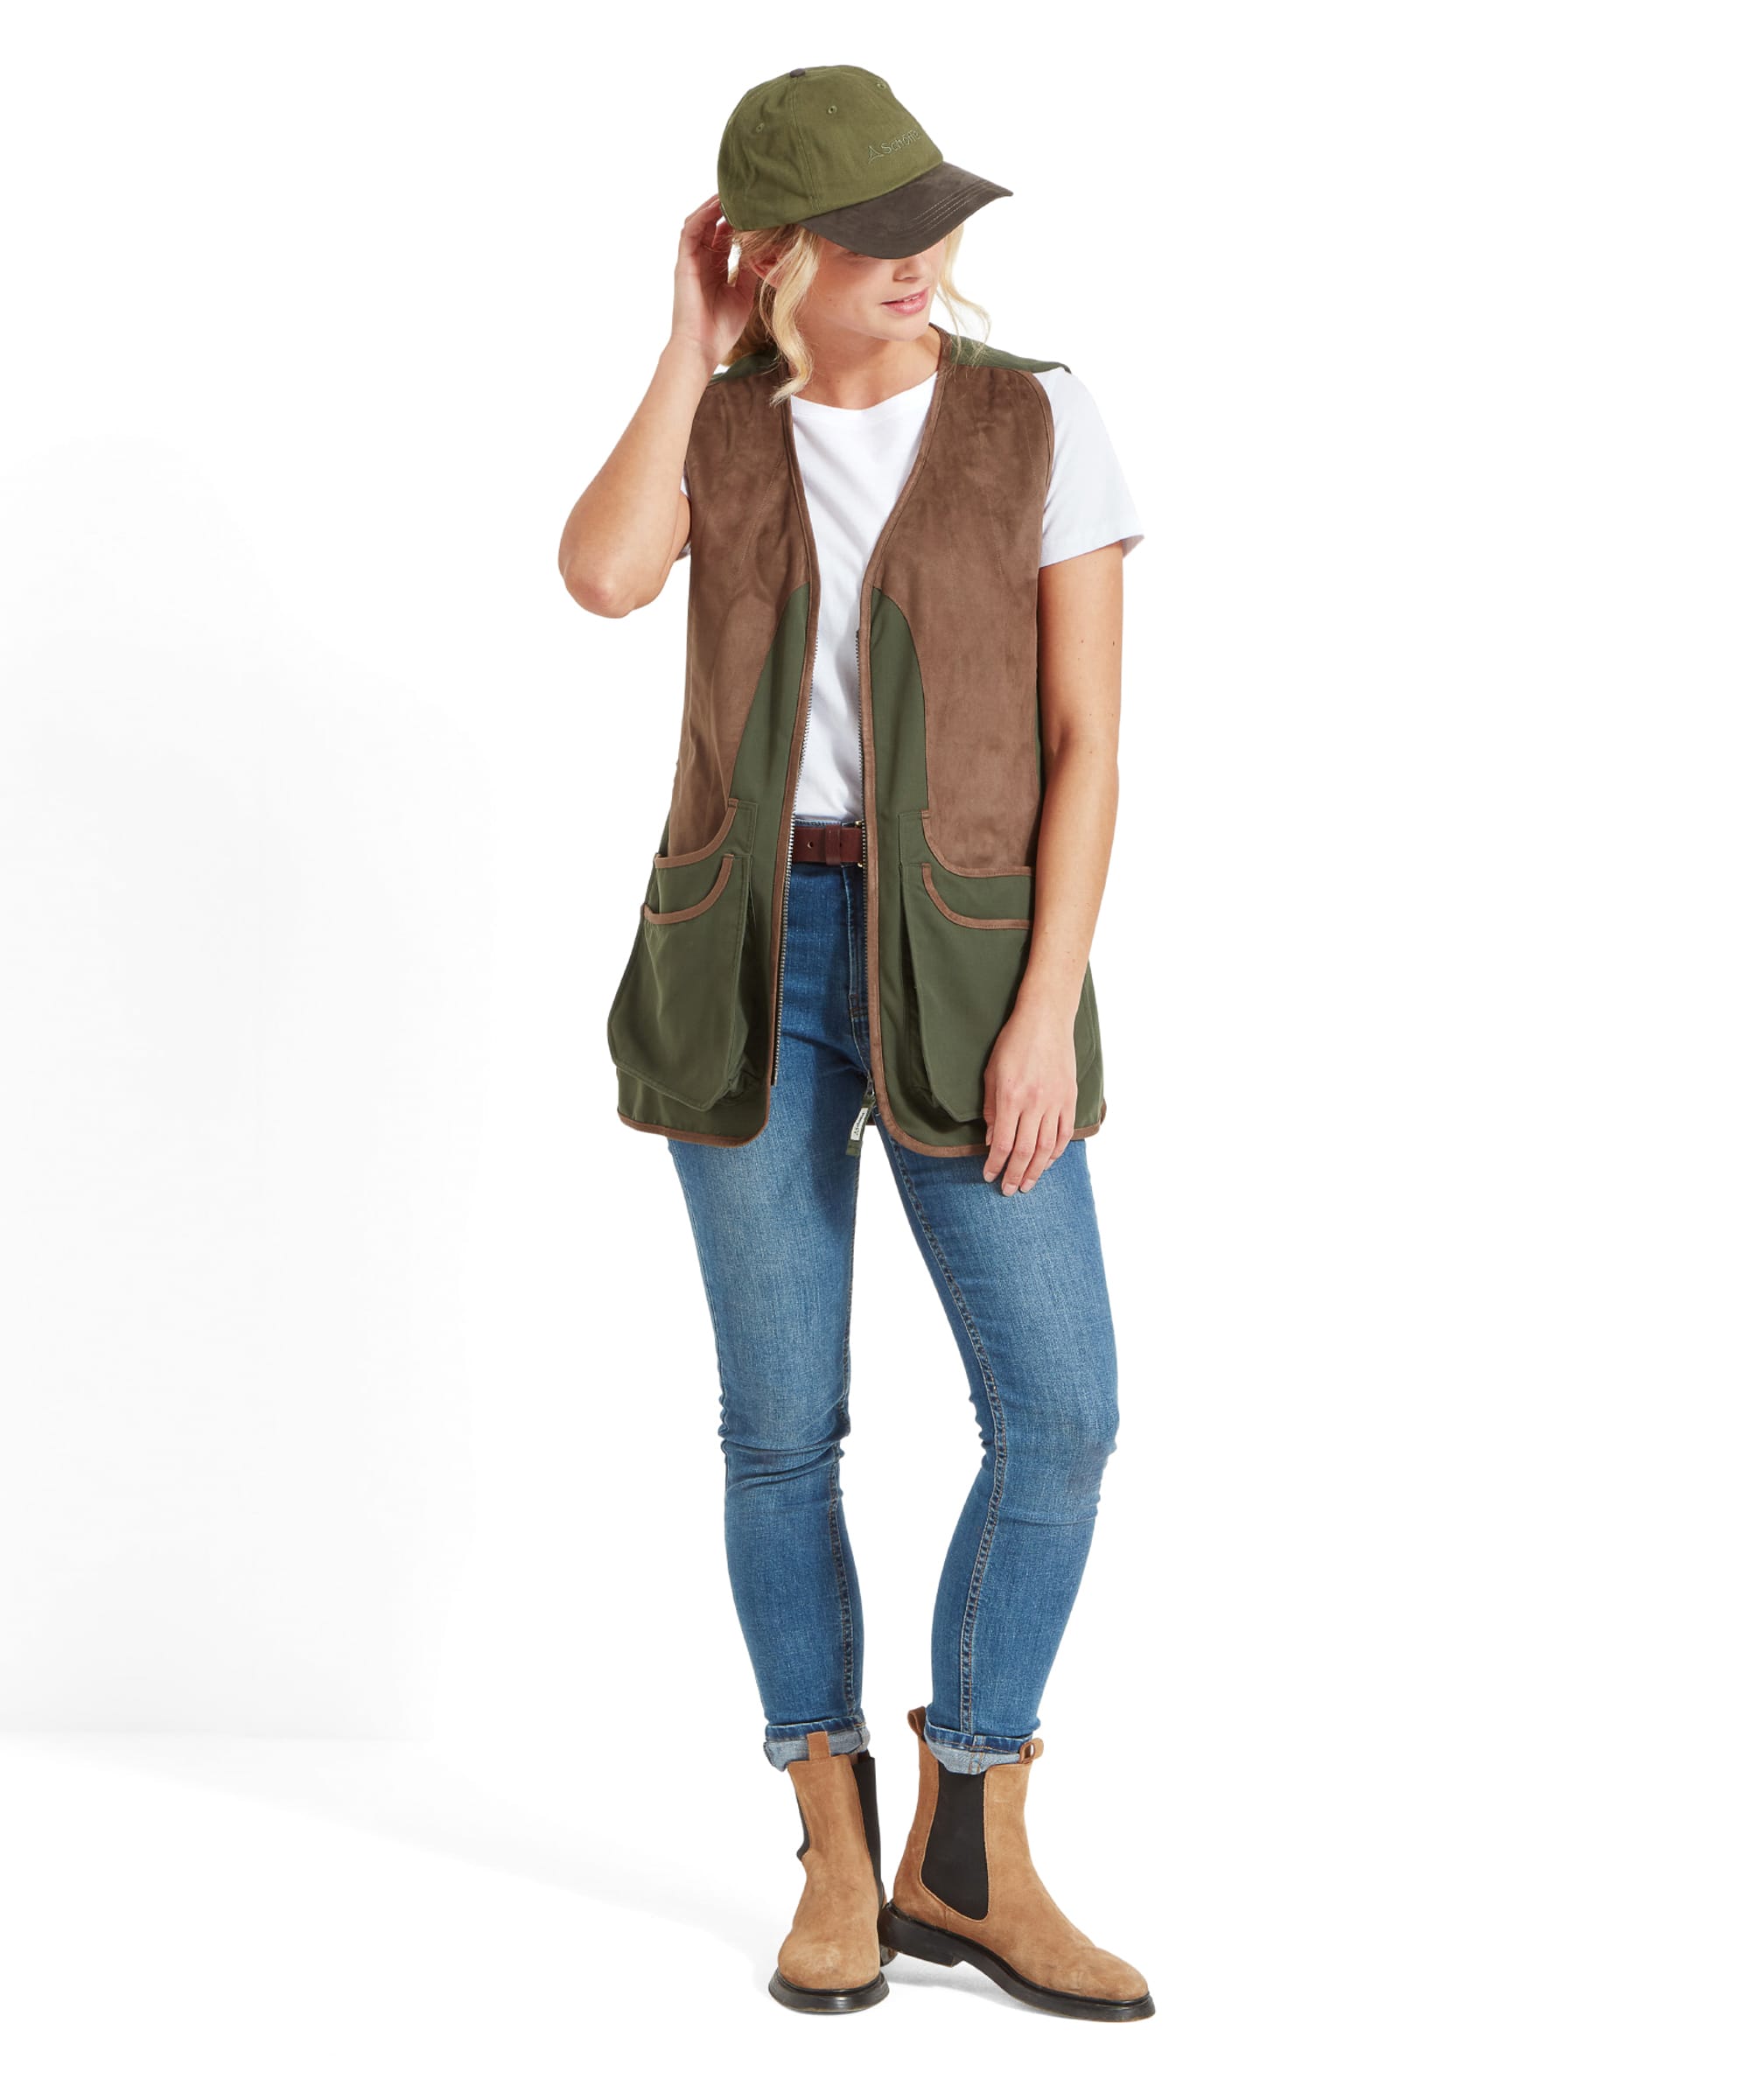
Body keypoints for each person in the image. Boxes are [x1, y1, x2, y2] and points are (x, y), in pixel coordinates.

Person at [558, 64, 1152, 2023]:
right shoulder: (725, 433)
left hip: (976, 965)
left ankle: (968, 1839)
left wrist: (1048, 1006)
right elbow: (603, 573)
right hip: (747, 956)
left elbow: (1087, 749)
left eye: (927, 224)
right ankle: (830, 1839)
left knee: (1057, 1415)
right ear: (781, 252)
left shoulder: (1034, 419)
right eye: (874, 234)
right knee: (780, 1426)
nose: (923, 261)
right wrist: (687, 348)